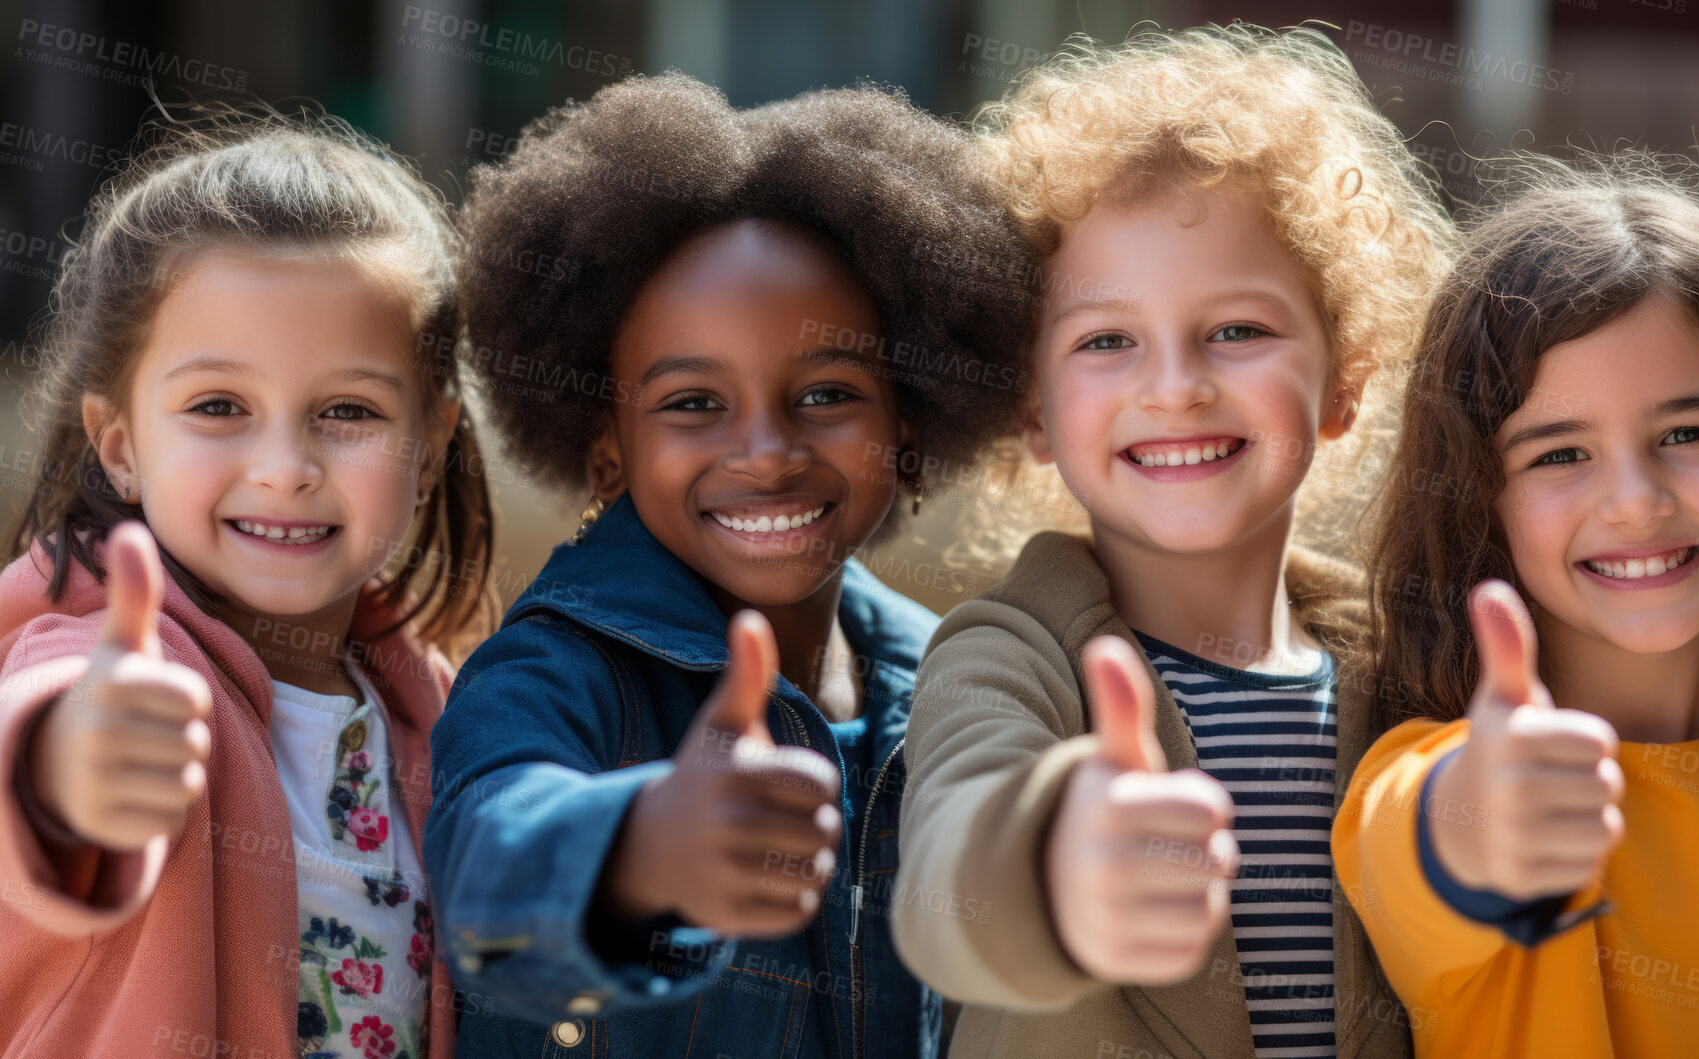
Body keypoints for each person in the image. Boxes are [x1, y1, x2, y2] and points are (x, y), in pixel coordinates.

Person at [424, 72, 1035, 1056]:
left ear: (910, 424)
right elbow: (481, 886)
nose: (763, 450)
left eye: (827, 393)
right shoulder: (552, 670)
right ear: (605, 445)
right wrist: (638, 845)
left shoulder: (951, 681)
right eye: (693, 403)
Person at [890, 23, 1454, 1059]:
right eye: (1105, 342)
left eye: (1236, 330)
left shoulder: (1407, 675)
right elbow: (944, 884)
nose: (1174, 385)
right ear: (1028, 409)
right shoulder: (1007, 656)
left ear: (1345, 382)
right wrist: (1058, 861)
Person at [1333, 150, 1699, 1057]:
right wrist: (1485, 808)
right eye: (1558, 453)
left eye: (1686, 432)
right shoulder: (1432, 769)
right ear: (1475, 499)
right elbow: (1434, 838)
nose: (1634, 498)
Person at [0, 111, 495, 1059]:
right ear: (122, 446)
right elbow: (41, 747)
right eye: (219, 406)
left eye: (347, 410)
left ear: (430, 448)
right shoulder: (102, 660)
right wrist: (69, 774)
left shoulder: (431, 708)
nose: (284, 465)